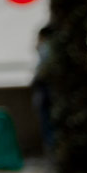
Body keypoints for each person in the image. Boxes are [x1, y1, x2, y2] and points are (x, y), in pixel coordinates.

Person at [30, 25, 53, 154]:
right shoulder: (50, 51)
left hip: (46, 94)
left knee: (48, 126)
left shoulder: (46, 51)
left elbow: (42, 73)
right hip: (47, 94)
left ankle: (51, 155)